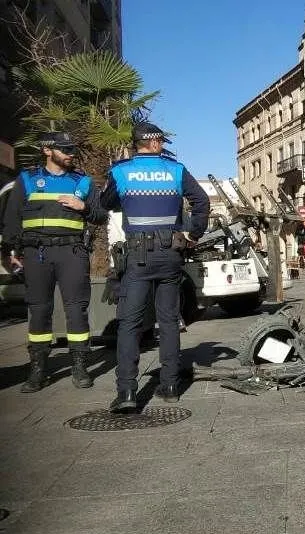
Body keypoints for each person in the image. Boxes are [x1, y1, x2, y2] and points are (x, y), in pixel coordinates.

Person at [98, 122, 209, 413]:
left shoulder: (121, 171)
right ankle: (170, 385)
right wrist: (193, 234)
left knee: (130, 323)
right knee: (169, 321)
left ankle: (127, 393)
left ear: (135, 144)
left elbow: (105, 203)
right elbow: (202, 201)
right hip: (170, 253)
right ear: (156, 143)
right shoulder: (175, 170)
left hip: (137, 257)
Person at [0, 132, 108, 392]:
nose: (70, 153)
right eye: (64, 149)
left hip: (71, 252)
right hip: (36, 254)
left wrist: (82, 206)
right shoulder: (26, 179)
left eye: (72, 148)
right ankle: (38, 370)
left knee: (76, 309)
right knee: (38, 310)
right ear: (47, 151)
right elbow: (12, 219)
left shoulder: (82, 181)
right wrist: (10, 252)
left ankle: (80, 367)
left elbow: (100, 215)